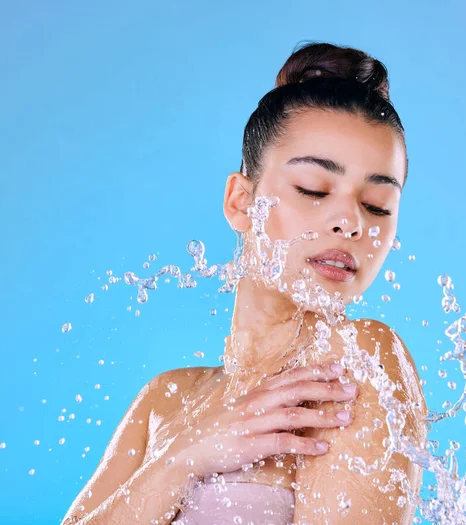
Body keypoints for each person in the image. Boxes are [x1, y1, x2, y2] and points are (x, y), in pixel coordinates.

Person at [61, 40, 427, 525]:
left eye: (378, 204)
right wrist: (177, 462)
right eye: (314, 190)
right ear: (241, 202)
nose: (351, 222)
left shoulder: (357, 368)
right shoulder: (165, 400)